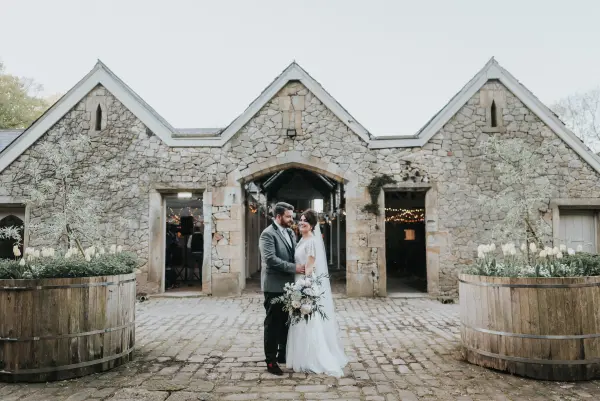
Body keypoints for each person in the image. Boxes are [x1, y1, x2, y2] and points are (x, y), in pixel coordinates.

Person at [286, 209, 348, 377]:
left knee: (308, 322)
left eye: (305, 220)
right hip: (297, 283)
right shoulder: (301, 240)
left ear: (312, 225)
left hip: (305, 284)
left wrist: (304, 289)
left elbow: (310, 268)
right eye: (300, 220)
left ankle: (310, 358)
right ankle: (299, 357)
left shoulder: (312, 241)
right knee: (299, 322)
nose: (301, 223)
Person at [259, 202, 306, 376]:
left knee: (286, 322)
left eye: (292, 216)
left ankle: (282, 354)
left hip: (289, 286)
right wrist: (295, 268)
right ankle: (270, 362)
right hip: (274, 286)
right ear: (278, 216)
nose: (291, 219)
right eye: (288, 216)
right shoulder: (267, 234)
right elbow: (271, 259)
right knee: (273, 324)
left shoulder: (289, 232)